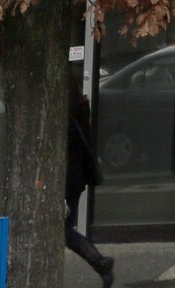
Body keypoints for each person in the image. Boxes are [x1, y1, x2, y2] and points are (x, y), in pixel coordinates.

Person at [66, 86, 115, 286]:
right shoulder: (80, 105)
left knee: (62, 230)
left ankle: (99, 262)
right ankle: (100, 263)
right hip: (76, 178)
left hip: (66, 179)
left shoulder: (66, 112)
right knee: (63, 228)